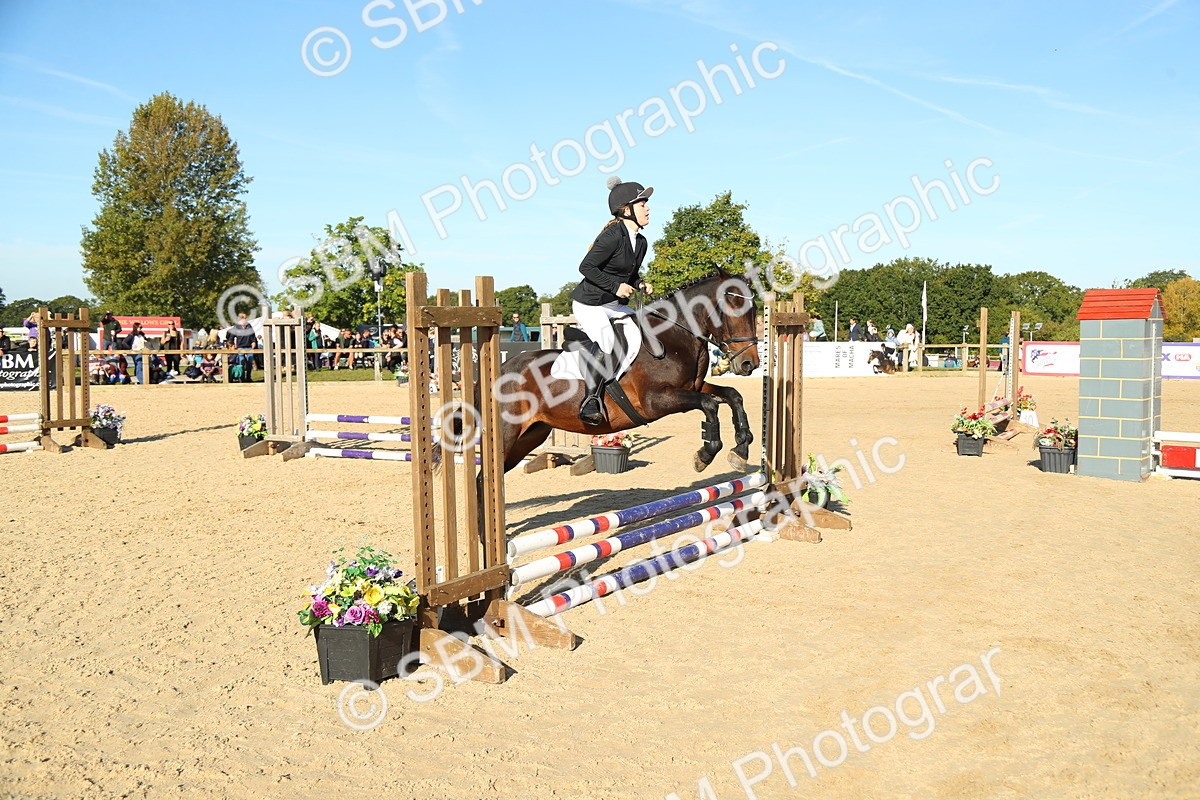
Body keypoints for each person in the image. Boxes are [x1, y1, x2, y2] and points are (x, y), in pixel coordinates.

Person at [569, 176, 654, 425]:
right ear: (626, 210)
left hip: (613, 305)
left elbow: (630, 272)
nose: (647, 208)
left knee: (639, 333)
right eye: (642, 204)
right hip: (590, 304)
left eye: (647, 203)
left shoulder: (641, 242)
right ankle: (591, 401)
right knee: (608, 341)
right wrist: (616, 286)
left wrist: (639, 284)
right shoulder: (612, 236)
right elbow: (586, 267)